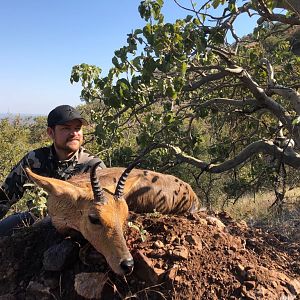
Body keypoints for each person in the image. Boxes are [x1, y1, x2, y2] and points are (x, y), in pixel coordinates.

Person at [0, 104, 106, 236]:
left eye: (78, 128)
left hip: (77, 228)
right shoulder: (34, 159)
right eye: (66, 128)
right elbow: (5, 196)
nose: (74, 134)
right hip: (36, 219)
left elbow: (104, 211)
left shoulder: (94, 166)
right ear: (50, 132)